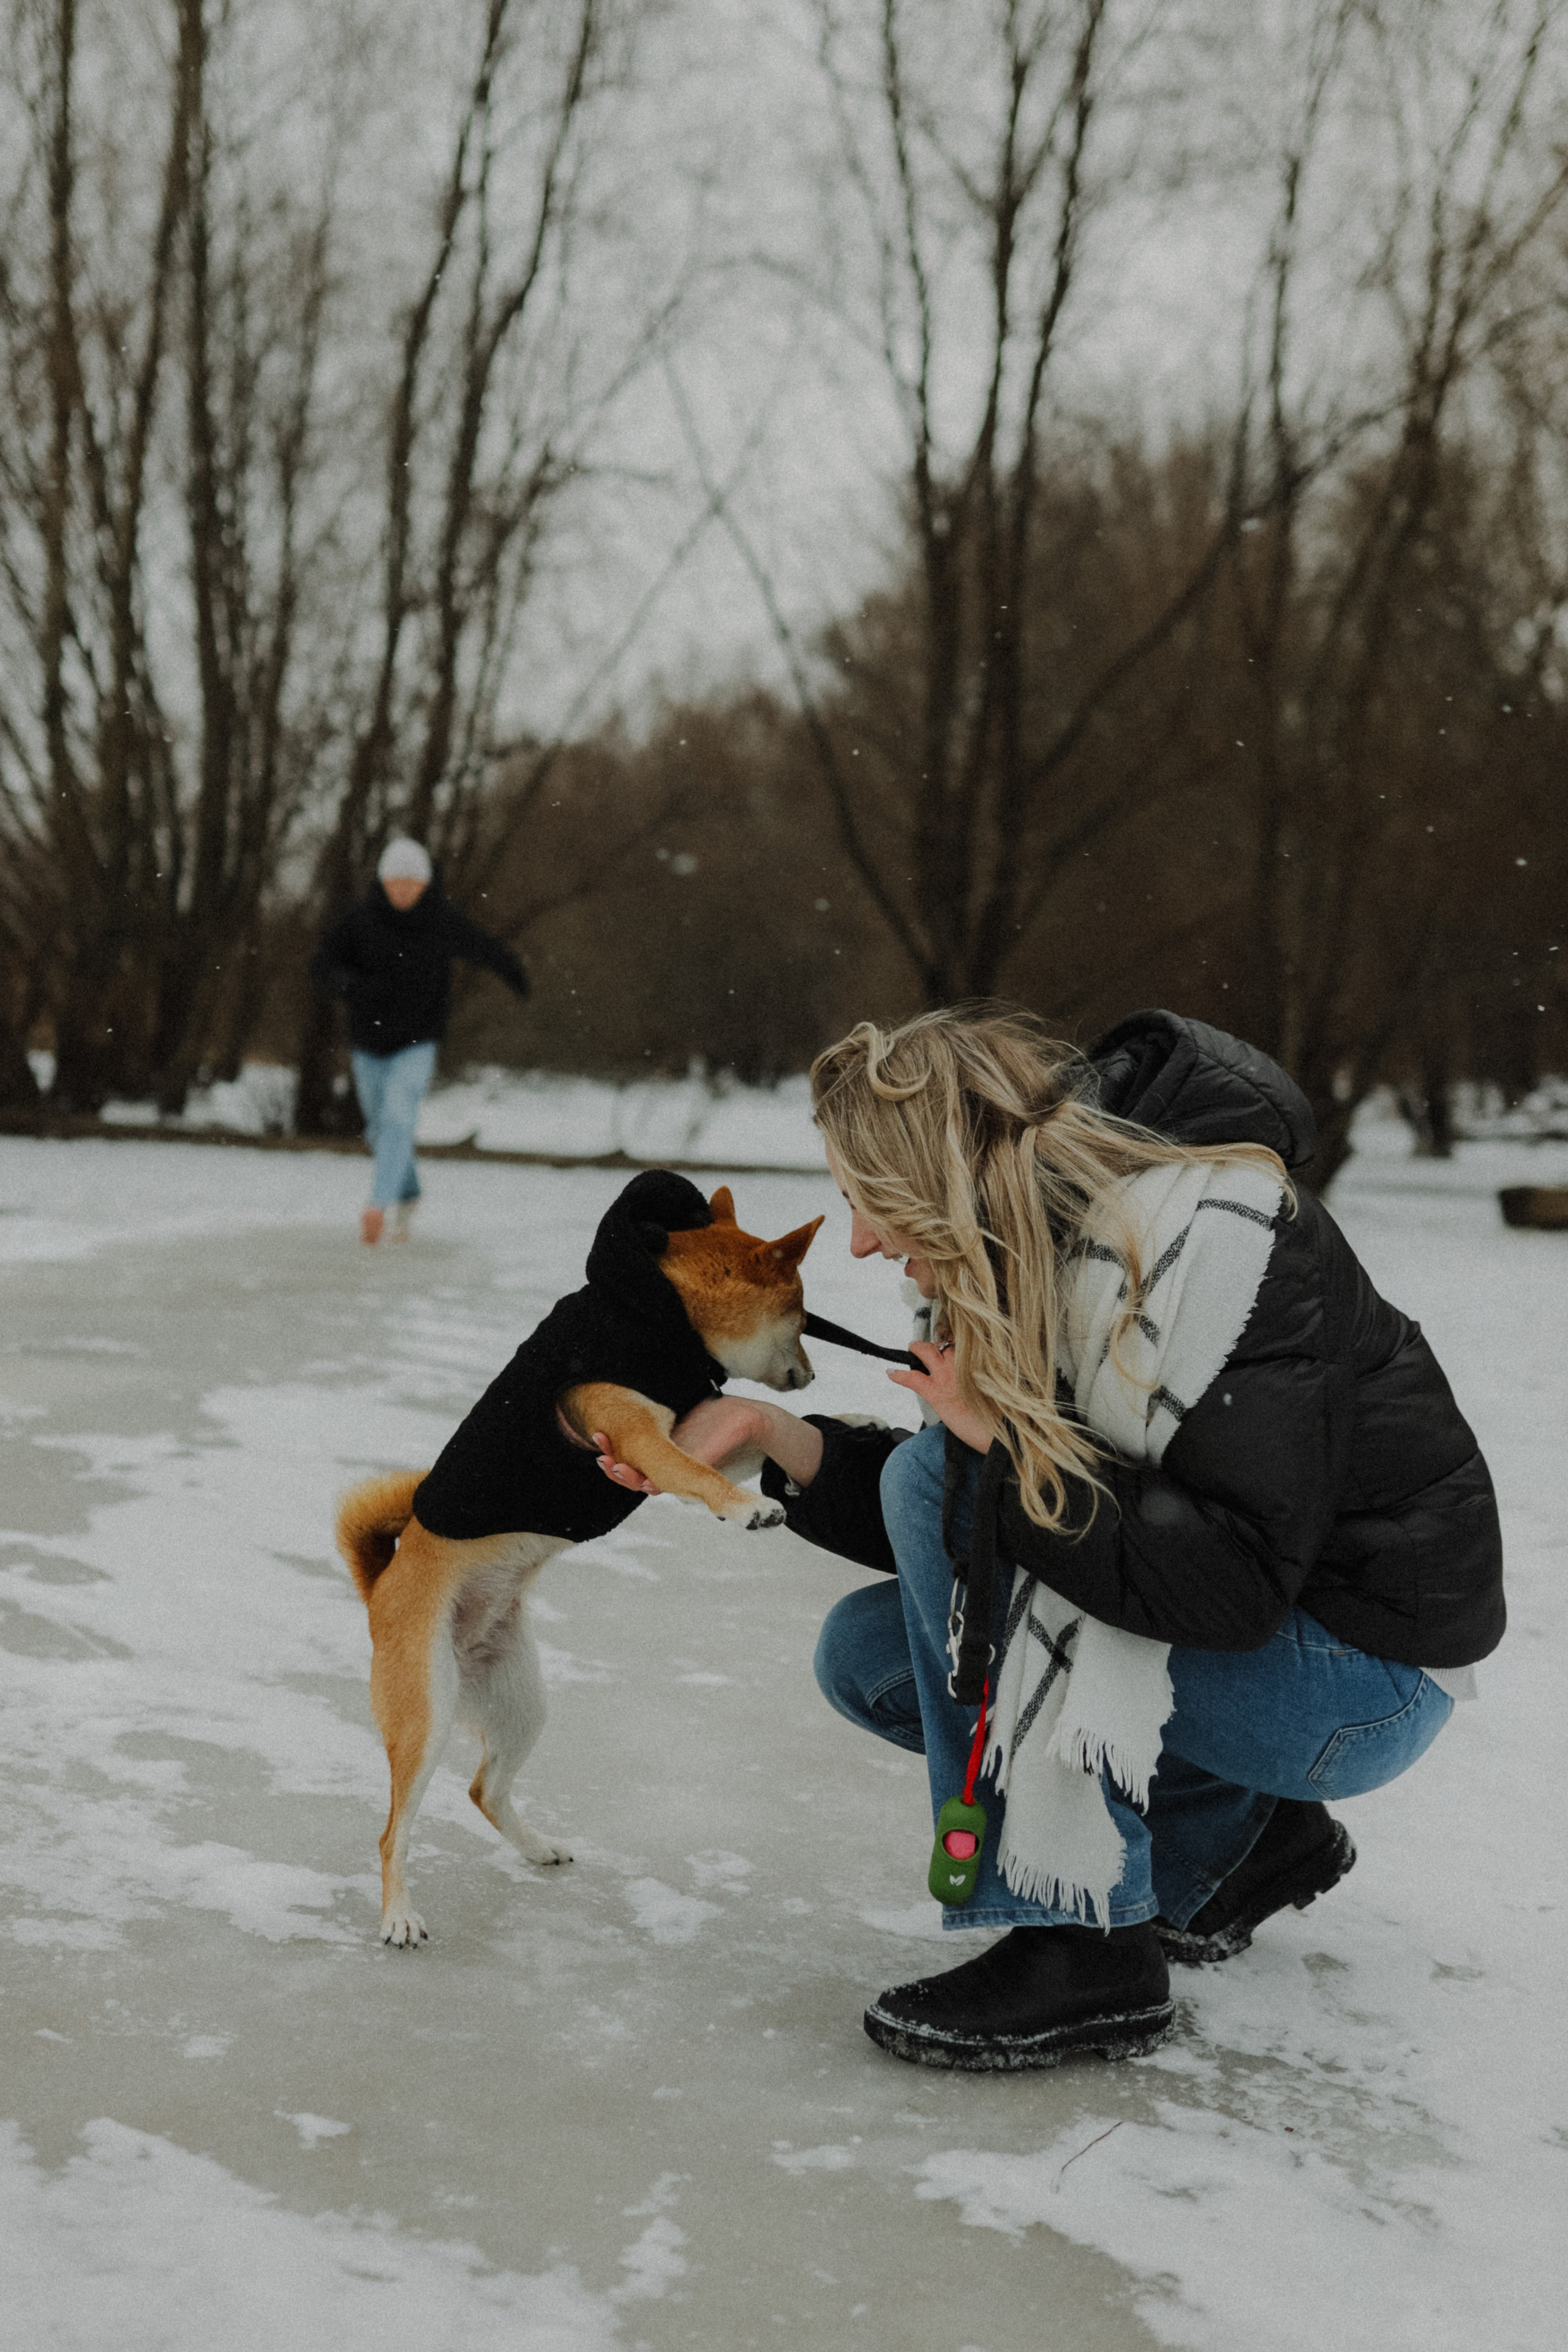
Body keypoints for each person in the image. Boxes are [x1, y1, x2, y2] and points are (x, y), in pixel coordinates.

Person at [592, 1006, 1504, 2071]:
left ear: (934, 1173)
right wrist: (782, 1439)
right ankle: (1238, 1845)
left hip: (1362, 1676)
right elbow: (972, 1541)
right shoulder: (1022, 1252)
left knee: (959, 1474)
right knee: (872, 1658)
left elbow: (1232, 1584)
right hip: (1254, 1635)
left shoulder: (1218, 1244)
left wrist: (1005, 1451)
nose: (861, 1241)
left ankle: (1085, 1950)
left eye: (867, 1200)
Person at [310, 839, 530, 1245]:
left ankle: (378, 1204)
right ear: (383, 882)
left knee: (398, 1117)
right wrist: (347, 984)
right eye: (395, 884)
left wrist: (515, 973)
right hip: (368, 1041)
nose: (403, 892)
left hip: (417, 1041)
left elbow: (485, 948)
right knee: (380, 1129)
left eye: (411, 885)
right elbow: (323, 962)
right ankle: (408, 1192)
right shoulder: (360, 919)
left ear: (425, 885)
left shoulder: (441, 920)